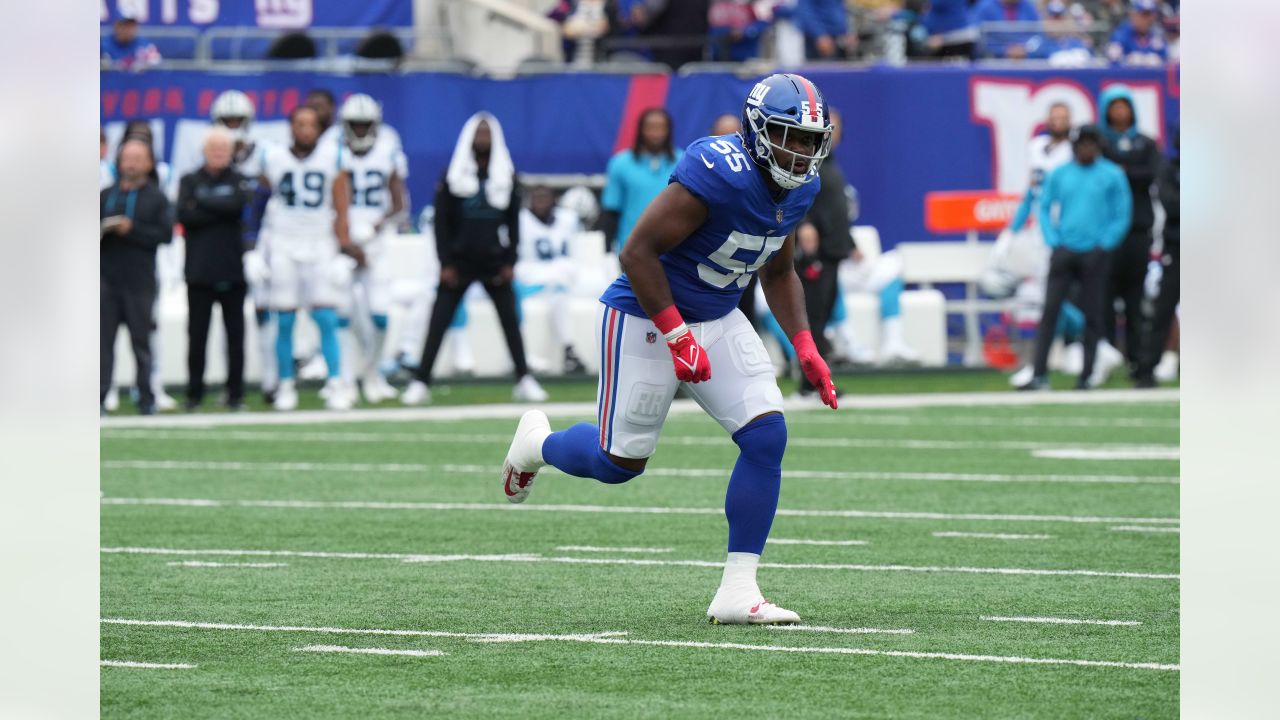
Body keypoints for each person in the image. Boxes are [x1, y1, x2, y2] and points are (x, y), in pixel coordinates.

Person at [501, 74, 838, 625]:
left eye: (808, 140)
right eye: (787, 136)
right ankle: (537, 443)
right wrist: (677, 335)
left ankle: (737, 591)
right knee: (618, 464)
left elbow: (779, 270)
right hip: (645, 315)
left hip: (716, 315)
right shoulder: (720, 173)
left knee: (766, 434)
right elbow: (636, 253)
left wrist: (804, 343)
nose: (798, 152)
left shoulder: (802, 187)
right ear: (757, 131)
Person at [403, 113, 548, 405]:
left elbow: (514, 223)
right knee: (439, 321)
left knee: (510, 321)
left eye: (487, 133)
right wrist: (445, 262)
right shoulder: (452, 175)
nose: (482, 138)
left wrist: (511, 261)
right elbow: (441, 224)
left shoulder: (506, 175)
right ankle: (420, 381)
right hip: (458, 262)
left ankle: (524, 378)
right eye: (478, 133)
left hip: (494, 260)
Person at [257, 105, 359, 411]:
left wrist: (343, 247)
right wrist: (255, 248)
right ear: (291, 127)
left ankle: (336, 382)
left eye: (310, 124)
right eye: (299, 124)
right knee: (285, 319)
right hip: (284, 243)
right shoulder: (273, 156)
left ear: (318, 128)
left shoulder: (333, 156)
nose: (305, 130)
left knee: (326, 317)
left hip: (319, 244)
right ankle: (286, 384)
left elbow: (342, 206)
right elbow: (260, 202)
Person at [1018, 125, 1131, 391]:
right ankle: (1039, 374)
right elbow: (1044, 206)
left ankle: (1088, 374)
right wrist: (1053, 240)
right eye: (1082, 144)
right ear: (1075, 146)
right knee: (1050, 312)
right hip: (1065, 250)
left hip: (1095, 253)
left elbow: (1121, 213)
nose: (1087, 149)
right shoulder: (1061, 174)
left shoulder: (1111, 175)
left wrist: (1105, 244)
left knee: (1094, 315)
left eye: (1092, 144)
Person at [335, 94, 409, 403]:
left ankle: (373, 372)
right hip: (340, 237)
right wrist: (346, 237)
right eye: (357, 125)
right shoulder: (333, 152)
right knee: (343, 313)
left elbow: (399, 203)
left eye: (367, 125)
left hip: (375, 241)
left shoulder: (387, 152)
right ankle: (346, 377)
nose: (362, 131)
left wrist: (376, 226)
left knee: (379, 314)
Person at [177, 128, 252, 411]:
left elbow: (236, 207)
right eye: (214, 149)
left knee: (235, 337)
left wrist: (203, 201)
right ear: (204, 151)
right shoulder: (189, 180)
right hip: (199, 270)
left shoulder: (239, 179)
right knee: (197, 337)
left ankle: (236, 394)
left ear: (231, 152)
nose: (219, 154)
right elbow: (184, 214)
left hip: (232, 269)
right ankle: (194, 394)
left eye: (224, 149)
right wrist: (216, 205)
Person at [101, 140, 173, 414]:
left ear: (149, 163)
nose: (131, 164)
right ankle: (100, 396)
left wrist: (132, 230)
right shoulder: (105, 195)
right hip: (106, 280)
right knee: (102, 343)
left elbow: (164, 235)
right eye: (127, 158)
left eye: (137, 159)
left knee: (141, 343)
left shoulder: (156, 198)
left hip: (140, 280)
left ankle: (146, 396)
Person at [1098, 84, 1161, 373]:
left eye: (1124, 106)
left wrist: (1122, 172)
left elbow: (1152, 175)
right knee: (1105, 296)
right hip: (1108, 231)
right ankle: (1109, 356)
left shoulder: (1146, 144)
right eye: (1114, 106)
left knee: (1135, 299)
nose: (1120, 112)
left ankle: (1138, 358)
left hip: (1137, 228)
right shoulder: (1100, 144)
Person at [790, 106, 851, 396]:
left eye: (837, 128)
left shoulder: (830, 162)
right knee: (812, 316)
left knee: (823, 316)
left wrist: (850, 243)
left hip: (833, 250)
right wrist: (804, 225)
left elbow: (835, 208)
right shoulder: (806, 162)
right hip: (815, 253)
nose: (833, 134)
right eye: (830, 127)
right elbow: (793, 194)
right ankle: (809, 382)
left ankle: (818, 378)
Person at [517, 186, 588, 374]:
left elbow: (576, 254)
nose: (540, 202)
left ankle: (570, 352)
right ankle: (569, 350)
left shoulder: (568, 219)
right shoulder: (520, 220)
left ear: (553, 200)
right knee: (558, 287)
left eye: (544, 198)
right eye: (536, 198)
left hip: (564, 276)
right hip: (532, 276)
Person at [600, 108, 682, 253]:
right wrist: (606, 250)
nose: (656, 133)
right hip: (632, 251)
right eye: (650, 127)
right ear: (640, 130)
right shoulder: (620, 163)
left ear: (669, 131)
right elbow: (611, 211)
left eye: (661, 128)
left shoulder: (684, 162)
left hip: (676, 250)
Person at [1135, 130, 1178, 388]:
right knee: (1162, 310)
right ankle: (1146, 370)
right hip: (1176, 245)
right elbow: (1170, 204)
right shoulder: (1170, 169)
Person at [1023, 1, 1094, 66]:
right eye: (1053, 17)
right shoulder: (1038, 41)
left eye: (1060, 17)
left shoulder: (1077, 41)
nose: (1057, 22)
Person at [970, 0, 1041, 59]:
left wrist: (1025, 48)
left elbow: (1038, 34)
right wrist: (1003, 50)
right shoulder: (985, 6)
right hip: (993, 59)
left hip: (1026, 58)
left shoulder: (1028, 6)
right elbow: (977, 36)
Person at [1106, 0, 1167, 66]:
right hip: (1128, 76)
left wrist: (1158, 61)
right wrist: (1128, 61)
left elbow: (1166, 60)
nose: (1149, 20)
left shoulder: (1156, 35)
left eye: (1151, 15)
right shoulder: (1120, 35)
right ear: (1133, 15)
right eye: (1144, 15)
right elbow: (1113, 63)